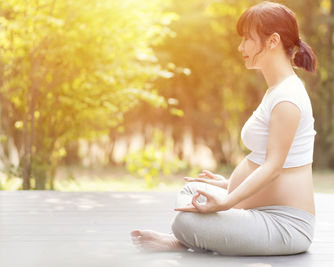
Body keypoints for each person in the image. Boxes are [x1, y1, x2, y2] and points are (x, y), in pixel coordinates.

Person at [131, 1, 318, 256]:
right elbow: (270, 160)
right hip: (256, 212)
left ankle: (184, 239)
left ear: (273, 41)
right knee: (191, 190)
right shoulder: (277, 90)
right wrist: (228, 184)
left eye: (247, 39)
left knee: (186, 220)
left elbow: (274, 167)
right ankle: (193, 237)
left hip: (284, 226)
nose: (241, 47)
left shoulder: (288, 98)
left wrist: (228, 200)